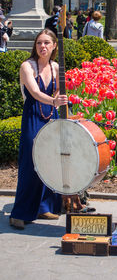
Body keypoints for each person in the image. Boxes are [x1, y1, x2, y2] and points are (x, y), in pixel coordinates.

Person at [9, 29, 68, 230]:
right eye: (39, 43)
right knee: (31, 163)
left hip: (51, 115)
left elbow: (60, 87)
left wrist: (59, 97)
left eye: (46, 43)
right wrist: (54, 100)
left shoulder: (55, 66)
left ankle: (44, 206)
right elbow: (34, 92)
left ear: (53, 46)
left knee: (51, 161)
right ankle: (19, 213)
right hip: (34, 114)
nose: (42, 46)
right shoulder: (27, 66)